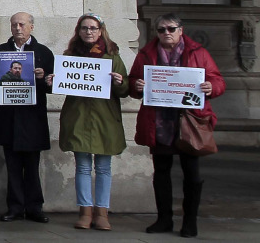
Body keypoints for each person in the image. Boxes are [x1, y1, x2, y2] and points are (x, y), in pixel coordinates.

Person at [129, 13, 225, 238]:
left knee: (192, 174)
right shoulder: (146, 54)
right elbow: (132, 81)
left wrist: (212, 86)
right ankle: (164, 219)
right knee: (161, 172)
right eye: (161, 30)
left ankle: (190, 221)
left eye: (171, 29)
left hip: (189, 122)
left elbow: (217, 79)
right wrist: (137, 85)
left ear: (181, 30)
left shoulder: (197, 52)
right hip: (158, 120)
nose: (166, 33)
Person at [45, 13, 128, 231]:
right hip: (79, 117)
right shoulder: (69, 56)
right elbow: (62, 85)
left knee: (103, 167)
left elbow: (125, 89)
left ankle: (102, 212)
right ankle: (85, 211)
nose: (88, 32)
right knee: (82, 166)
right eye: (84, 28)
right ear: (78, 31)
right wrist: (53, 81)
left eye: (92, 28)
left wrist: (119, 82)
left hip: (105, 119)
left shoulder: (112, 57)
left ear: (101, 30)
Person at [0, 12, 53, 224]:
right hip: (9, 117)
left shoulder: (43, 52)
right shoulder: (1, 51)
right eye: (14, 25)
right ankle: (14, 207)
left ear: (31, 27)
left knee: (32, 166)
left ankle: (34, 207)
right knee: (12, 165)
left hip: (33, 118)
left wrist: (44, 79)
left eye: (22, 24)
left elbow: (52, 85)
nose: (18, 28)